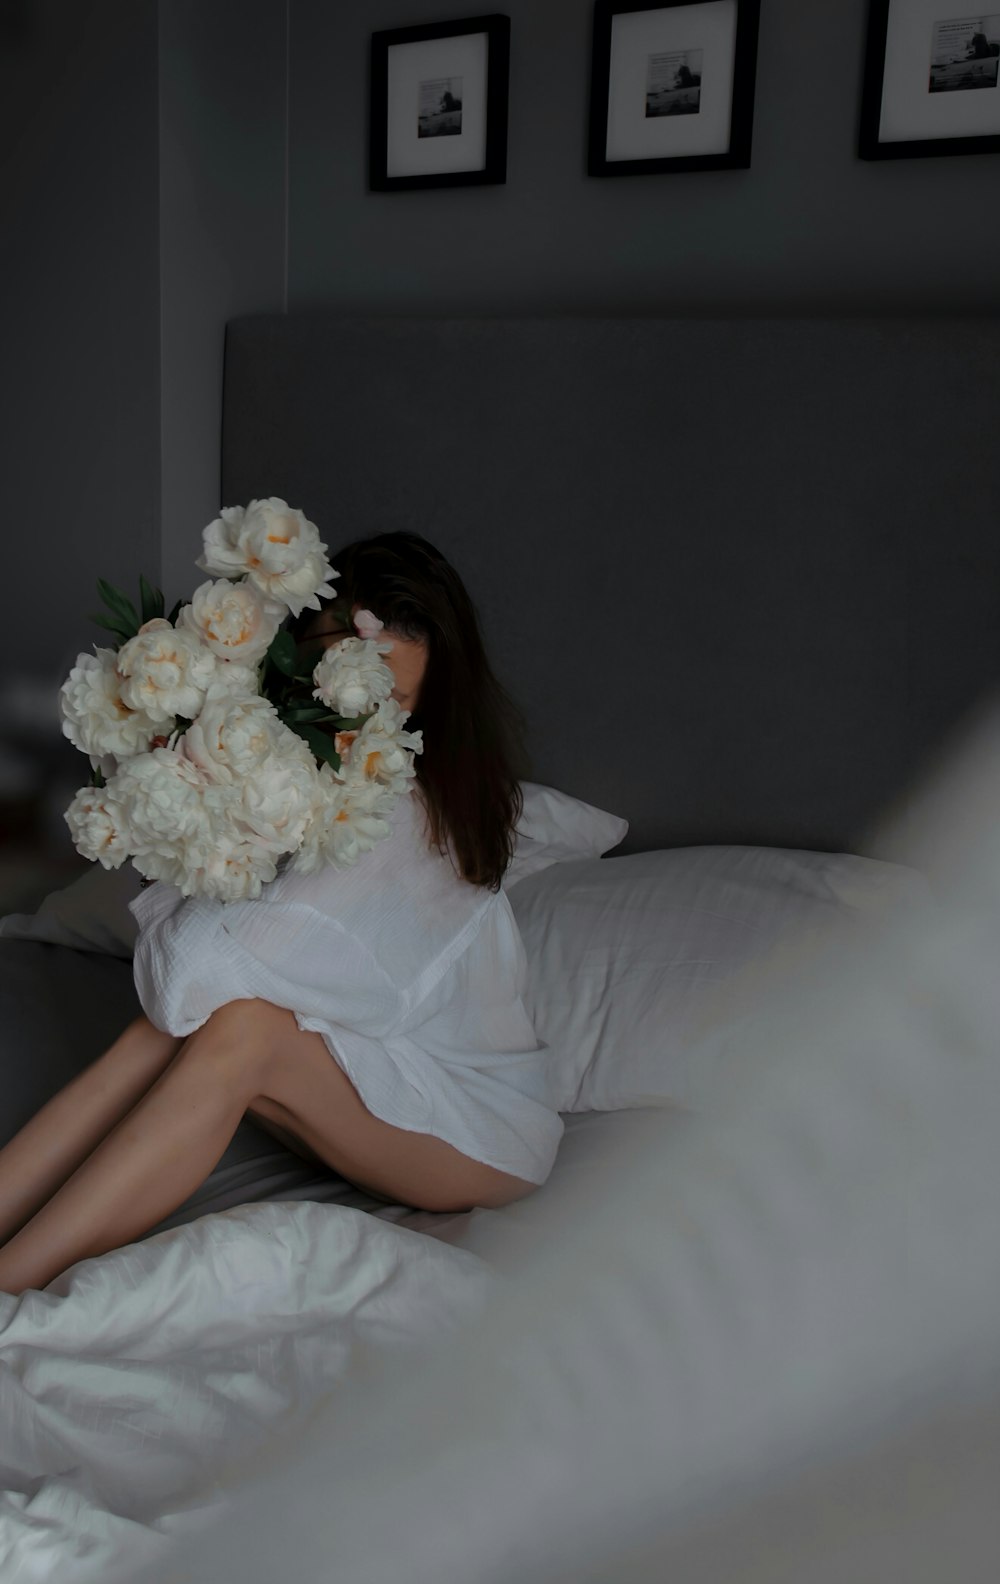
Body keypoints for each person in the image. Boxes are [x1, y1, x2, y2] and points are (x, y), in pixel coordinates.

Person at [0, 532, 563, 1298]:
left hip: (478, 1133)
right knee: (180, 1032)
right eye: (334, 689)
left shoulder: (398, 811)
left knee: (240, 1028)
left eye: (387, 705)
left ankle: (9, 1285)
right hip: (371, 1064)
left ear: (429, 707)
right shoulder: (290, 773)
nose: (354, 721)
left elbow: (189, 978)